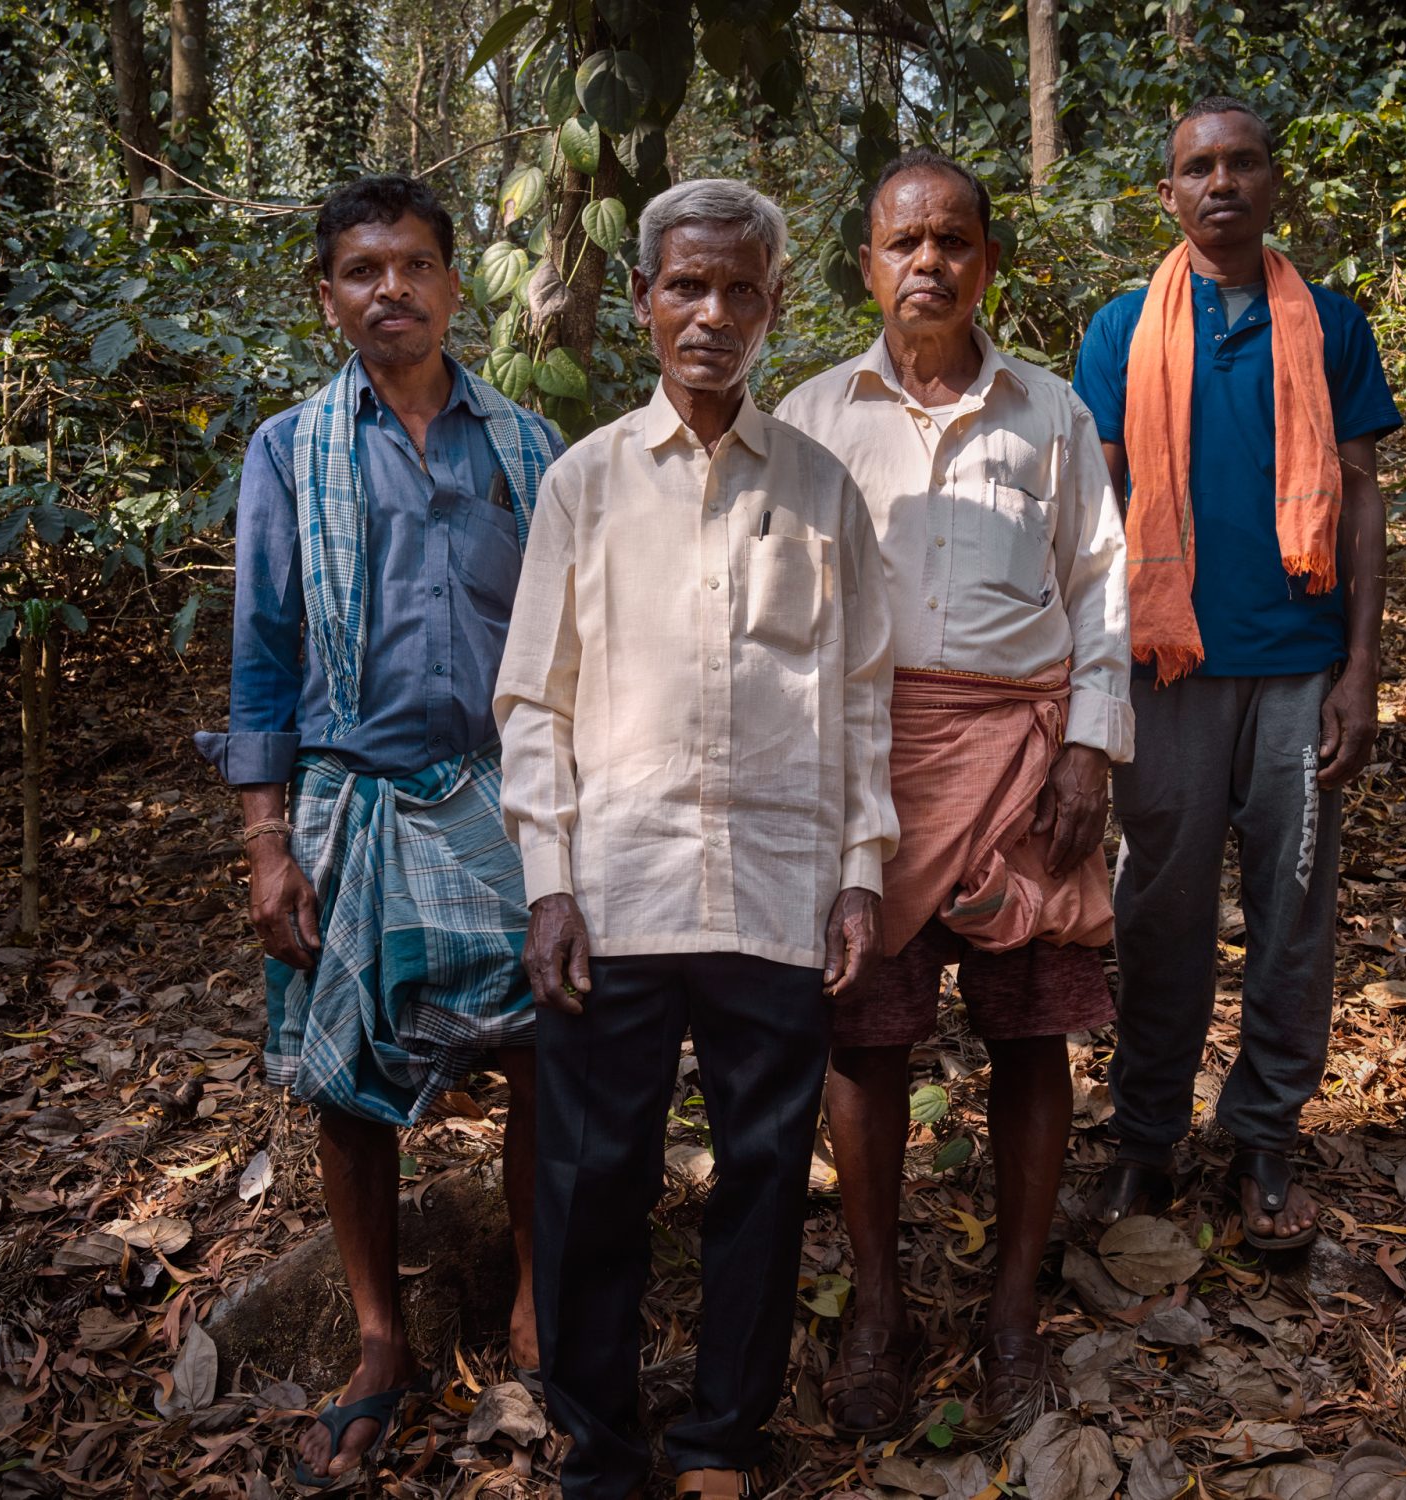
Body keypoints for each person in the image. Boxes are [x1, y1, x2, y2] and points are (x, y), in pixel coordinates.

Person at [495, 178, 897, 1500]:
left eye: (737, 290)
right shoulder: (586, 483)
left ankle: (723, 1437)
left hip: (777, 892)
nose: (711, 314)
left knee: (765, 1175)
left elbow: (861, 696)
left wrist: (859, 871)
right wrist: (548, 883)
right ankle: (600, 1446)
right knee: (592, 1175)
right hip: (614, 891)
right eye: (685, 286)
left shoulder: (823, 488)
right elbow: (533, 699)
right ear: (644, 301)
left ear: (773, 306)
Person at [193, 174, 563, 1487]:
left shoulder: (530, 446)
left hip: (506, 794)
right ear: (328, 296)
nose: (390, 289)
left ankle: (537, 1305)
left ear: (455, 286)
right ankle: (376, 1339)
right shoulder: (290, 451)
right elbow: (262, 654)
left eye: (413, 265)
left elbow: (578, 639)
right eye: (362, 270)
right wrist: (265, 842)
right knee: (346, 1086)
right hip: (350, 798)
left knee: (544, 1050)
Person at [777, 150, 1132, 1431]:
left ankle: (1013, 1316)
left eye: (953, 241)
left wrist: (1089, 748)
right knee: (865, 1036)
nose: (928, 262)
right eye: (903, 242)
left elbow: (1100, 586)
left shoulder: (1052, 414)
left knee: (1032, 1029)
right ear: (866, 266)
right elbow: (780, 611)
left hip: (1027, 761)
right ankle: (879, 1309)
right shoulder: (812, 418)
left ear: (988, 261)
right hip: (867, 762)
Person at [1071, 98, 1402, 1250]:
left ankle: (1265, 1137)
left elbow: (1359, 501)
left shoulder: (1332, 325)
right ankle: (1145, 1138)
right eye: (1198, 167)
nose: (1221, 182)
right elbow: (1094, 518)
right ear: (1168, 194)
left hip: (1299, 670)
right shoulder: (1121, 331)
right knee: (1156, 915)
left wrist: (1362, 669)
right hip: (1165, 668)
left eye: (1243, 161)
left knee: (1290, 913)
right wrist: (1087, 681)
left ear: (1274, 182)